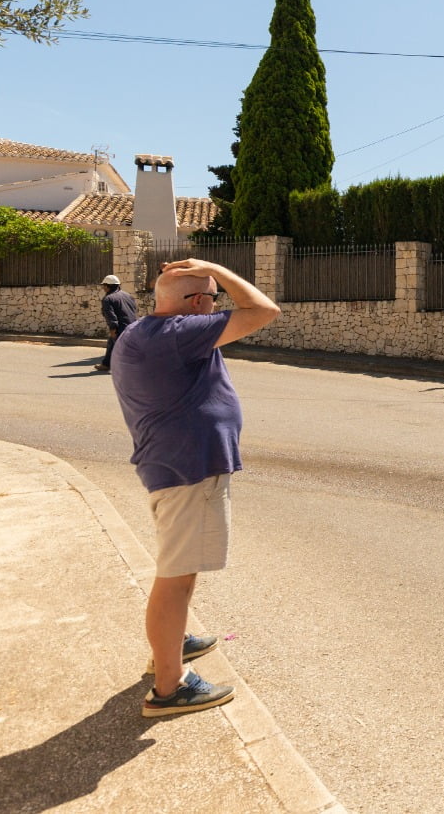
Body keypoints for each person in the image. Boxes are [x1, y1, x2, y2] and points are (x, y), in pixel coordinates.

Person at [110, 258, 280, 717]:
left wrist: (206, 279)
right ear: (198, 302)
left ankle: (173, 644)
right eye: (212, 294)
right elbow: (265, 311)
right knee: (177, 580)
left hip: (173, 465)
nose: (217, 302)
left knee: (179, 569)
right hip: (189, 472)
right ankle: (169, 686)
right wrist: (221, 269)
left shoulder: (142, 332)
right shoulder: (180, 334)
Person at [95, 273, 138, 372]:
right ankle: (106, 364)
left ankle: (132, 367)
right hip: (133, 325)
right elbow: (133, 310)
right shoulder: (127, 295)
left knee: (123, 347)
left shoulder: (108, 299)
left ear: (107, 286)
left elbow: (111, 315)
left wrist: (113, 329)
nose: (103, 288)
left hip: (120, 327)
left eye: (104, 286)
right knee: (111, 343)